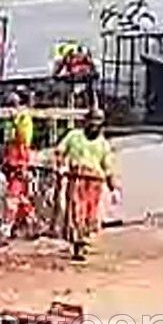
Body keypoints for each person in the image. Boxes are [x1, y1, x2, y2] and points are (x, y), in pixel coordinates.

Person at [54, 107, 120, 262]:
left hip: (94, 183)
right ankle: (77, 244)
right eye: (92, 122)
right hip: (77, 179)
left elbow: (108, 168)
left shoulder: (103, 144)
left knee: (90, 215)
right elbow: (59, 152)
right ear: (86, 122)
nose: (94, 126)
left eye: (98, 123)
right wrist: (61, 165)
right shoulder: (74, 136)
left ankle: (83, 243)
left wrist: (113, 189)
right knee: (76, 211)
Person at [0, 90, 36, 240]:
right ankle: (28, 224)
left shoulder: (23, 118)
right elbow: (5, 140)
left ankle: (9, 228)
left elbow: (24, 139)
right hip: (11, 161)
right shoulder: (10, 120)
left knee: (14, 197)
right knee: (20, 197)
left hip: (19, 161)